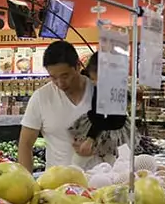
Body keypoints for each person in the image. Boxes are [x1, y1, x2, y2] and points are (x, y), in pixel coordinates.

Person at [17, 41, 93, 172]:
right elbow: (25, 145)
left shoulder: (100, 92)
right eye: (53, 77)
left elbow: (123, 135)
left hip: (101, 180)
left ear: (77, 66)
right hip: (57, 185)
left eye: (65, 76)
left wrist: (98, 143)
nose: (60, 83)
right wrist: (26, 183)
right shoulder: (41, 97)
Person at [67, 54, 130, 168]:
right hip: (108, 129)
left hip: (102, 129)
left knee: (79, 161)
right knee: (111, 162)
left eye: (97, 79)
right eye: (92, 79)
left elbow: (102, 116)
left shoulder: (108, 92)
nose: (94, 83)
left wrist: (91, 138)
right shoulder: (114, 87)